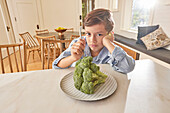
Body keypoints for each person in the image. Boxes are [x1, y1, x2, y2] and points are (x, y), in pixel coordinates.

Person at [52, 8, 135, 73]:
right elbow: (56, 66)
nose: (92, 40)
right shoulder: (78, 43)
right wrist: (73, 58)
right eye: (88, 34)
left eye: (99, 34)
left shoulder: (111, 50)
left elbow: (128, 67)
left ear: (109, 34)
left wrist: (108, 43)